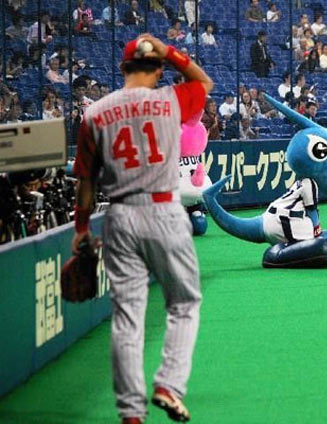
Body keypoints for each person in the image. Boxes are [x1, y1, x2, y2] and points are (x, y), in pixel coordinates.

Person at [71, 34, 213, 424]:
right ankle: (169, 384)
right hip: (164, 210)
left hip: (119, 216)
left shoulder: (94, 113)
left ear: (123, 68)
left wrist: (81, 229)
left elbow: (85, 182)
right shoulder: (171, 99)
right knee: (184, 304)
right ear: (159, 70)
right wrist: (173, 53)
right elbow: (203, 83)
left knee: (128, 317)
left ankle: (131, 413)